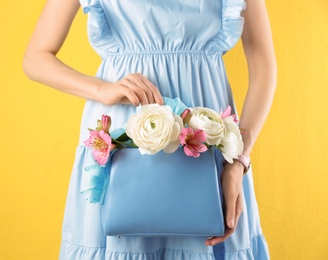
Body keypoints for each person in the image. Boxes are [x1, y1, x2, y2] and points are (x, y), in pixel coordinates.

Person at [23, 0, 276, 259]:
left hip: (208, 142)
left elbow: (263, 68)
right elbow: (35, 58)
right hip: (121, 134)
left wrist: (237, 163)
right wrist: (102, 89)